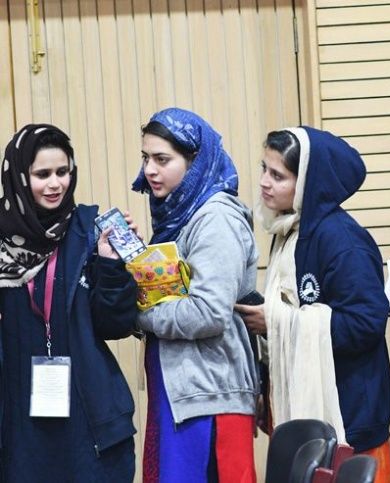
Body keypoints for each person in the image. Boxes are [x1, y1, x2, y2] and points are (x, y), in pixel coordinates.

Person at [235, 127, 390, 481]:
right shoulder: (288, 230)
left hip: (351, 424)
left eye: (278, 176)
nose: (264, 182)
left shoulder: (342, 239)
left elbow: (367, 322)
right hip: (313, 425)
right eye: (264, 169)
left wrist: (277, 321)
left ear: (309, 182)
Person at [0, 124, 136, 481]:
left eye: (62, 172)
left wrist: (109, 264)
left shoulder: (87, 232)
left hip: (84, 417)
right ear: (19, 176)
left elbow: (115, 324)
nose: (55, 184)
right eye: (42, 174)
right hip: (18, 416)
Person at [132, 108, 259, 482]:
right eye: (146, 158)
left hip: (210, 401)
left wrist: (140, 314)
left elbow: (209, 312)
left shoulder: (215, 217)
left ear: (194, 161)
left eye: (162, 159)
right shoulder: (181, 213)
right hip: (186, 396)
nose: (150, 170)